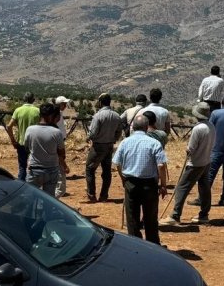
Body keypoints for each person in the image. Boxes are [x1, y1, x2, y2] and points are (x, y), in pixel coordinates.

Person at [112, 115, 169, 245]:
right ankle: (153, 245)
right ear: (146, 127)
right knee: (150, 218)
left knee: (132, 218)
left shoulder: (125, 142)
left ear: (133, 127)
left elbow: (117, 163)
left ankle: (135, 245)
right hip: (149, 185)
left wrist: (123, 178)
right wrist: (163, 185)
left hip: (131, 183)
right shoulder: (154, 143)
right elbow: (161, 165)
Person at [161, 102, 216, 226]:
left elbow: (191, 148)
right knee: (204, 187)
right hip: (206, 161)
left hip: (195, 163)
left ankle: (175, 216)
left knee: (181, 188)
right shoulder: (211, 126)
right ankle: (204, 214)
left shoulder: (198, 128)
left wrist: (187, 150)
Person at [85, 93, 123, 202]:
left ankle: (91, 194)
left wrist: (88, 138)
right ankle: (104, 195)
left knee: (90, 169)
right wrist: (113, 139)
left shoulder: (98, 116)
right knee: (106, 171)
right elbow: (119, 132)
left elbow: (93, 133)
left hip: (98, 146)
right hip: (110, 145)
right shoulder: (116, 116)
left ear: (101, 102)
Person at [23, 103, 67, 195]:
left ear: (40, 114)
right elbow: (61, 153)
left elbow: (27, 148)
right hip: (51, 170)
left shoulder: (30, 130)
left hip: (34, 169)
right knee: (48, 199)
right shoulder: (57, 132)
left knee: (30, 197)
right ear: (51, 116)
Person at [6, 92, 40, 181]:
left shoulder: (18, 110)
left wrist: (13, 140)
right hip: (34, 143)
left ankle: (21, 186)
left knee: (22, 167)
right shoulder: (37, 111)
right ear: (33, 100)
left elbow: (9, 126)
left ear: (23, 99)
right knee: (33, 167)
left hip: (21, 143)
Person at [54, 96, 71, 197]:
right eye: (64, 104)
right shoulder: (57, 115)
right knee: (59, 161)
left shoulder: (58, 114)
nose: (65, 105)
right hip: (58, 141)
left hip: (59, 140)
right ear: (59, 104)